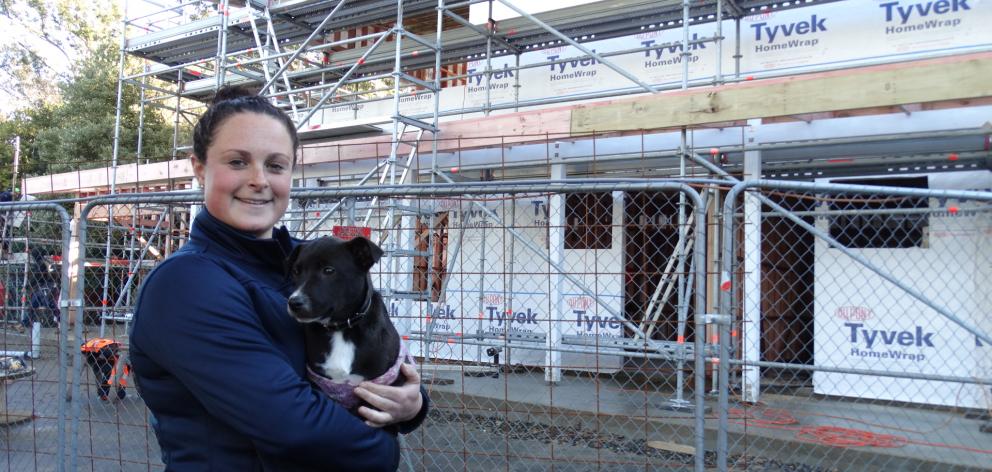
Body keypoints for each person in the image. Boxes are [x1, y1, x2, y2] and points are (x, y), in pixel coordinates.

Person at [129, 87, 428, 471]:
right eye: (237, 162)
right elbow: (294, 426)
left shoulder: (306, 262)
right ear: (200, 167)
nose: (259, 180)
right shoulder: (186, 285)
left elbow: (384, 354)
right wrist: (384, 450)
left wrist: (412, 403)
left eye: (275, 165)